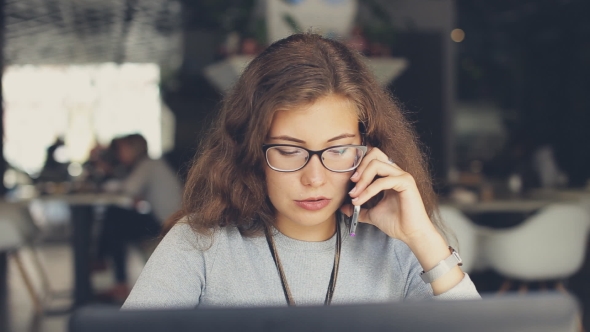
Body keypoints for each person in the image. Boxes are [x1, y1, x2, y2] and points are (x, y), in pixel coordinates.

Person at [123, 33, 480, 309]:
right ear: (251, 151)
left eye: (339, 150)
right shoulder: (201, 244)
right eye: (289, 151)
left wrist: (423, 237)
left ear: (370, 149)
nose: (314, 178)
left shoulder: (398, 248)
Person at [95, 134, 183, 302]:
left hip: (168, 224)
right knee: (117, 218)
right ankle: (103, 261)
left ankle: (105, 265)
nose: (119, 153)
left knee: (115, 218)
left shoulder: (148, 165)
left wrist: (109, 177)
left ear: (133, 149)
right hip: (168, 220)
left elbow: (129, 189)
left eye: (121, 149)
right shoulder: (152, 164)